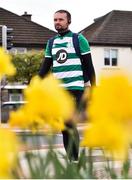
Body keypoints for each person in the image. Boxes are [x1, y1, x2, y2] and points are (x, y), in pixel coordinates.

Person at [39, 9, 96, 161]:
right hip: (59, 92)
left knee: (70, 123)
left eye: (61, 19)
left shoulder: (79, 39)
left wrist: (94, 91)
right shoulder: (51, 43)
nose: (57, 22)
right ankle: (72, 160)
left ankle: (74, 159)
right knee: (64, 127)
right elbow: (45, 67)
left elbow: (89, 67)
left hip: (75, 89)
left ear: (68, 21)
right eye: (55, 20)